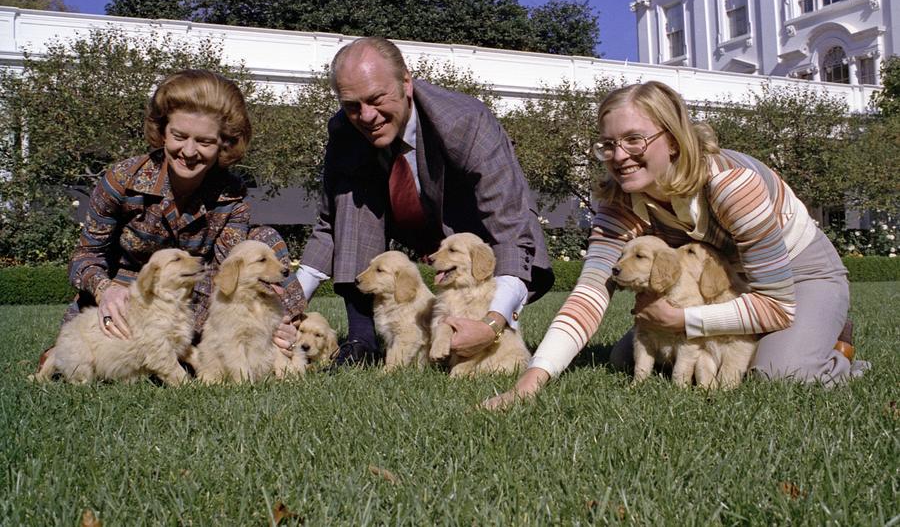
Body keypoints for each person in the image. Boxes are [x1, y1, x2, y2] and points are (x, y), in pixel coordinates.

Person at [485, 80, 867, 409]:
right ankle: (774, 340)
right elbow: (589, 294)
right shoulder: (619, 204)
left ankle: (836, 351)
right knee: (622, 359)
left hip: (796, 281)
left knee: (781, 374)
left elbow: (776, 306)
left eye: (634, 139)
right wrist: (530, 382)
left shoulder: (733, 187)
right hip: (712, 289)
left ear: (672, 139)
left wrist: (683, 321)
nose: (619, 156)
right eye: (608, 144)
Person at [276, 37, 554, 366]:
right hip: (401, 216)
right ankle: (361, 340)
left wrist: (493, 321)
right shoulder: (343, 130)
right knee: (349, 197)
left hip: (467, 229)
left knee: (485, 259)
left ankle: (471, 325)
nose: (366, 116)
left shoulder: (466, 122)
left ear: (406, 83)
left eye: (377, 99)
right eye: (352, 105)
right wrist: (287, 310)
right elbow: (329, 227)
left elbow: (512, 225)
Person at [62, 69, 305, 347]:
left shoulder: (232, 196)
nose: (189, 152)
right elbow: (85, 256)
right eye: (179, 136)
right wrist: (106, 291)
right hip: (128, 297)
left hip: (193, 301)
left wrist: (264, 319)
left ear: (224, 144)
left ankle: (290, 329)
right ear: (163, 132)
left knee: (263, 239)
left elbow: (225, 276)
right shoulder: (122, 180)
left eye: (204, 142)